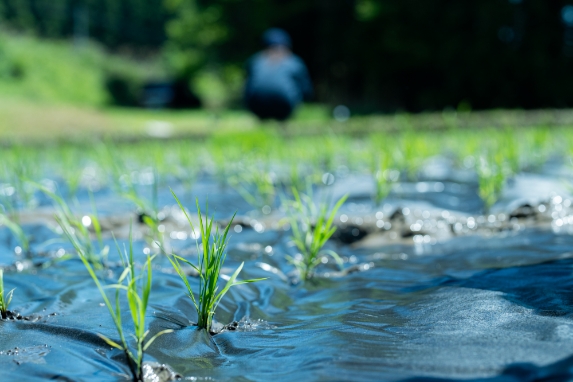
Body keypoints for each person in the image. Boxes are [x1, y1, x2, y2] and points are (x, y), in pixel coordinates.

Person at [244, 28, 313, 121]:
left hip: (257, 107)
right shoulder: (294, 61)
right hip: (284, 107)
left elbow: (247, 87)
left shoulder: (255, 60)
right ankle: (283, 120)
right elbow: (306, 89)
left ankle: (263, 118)